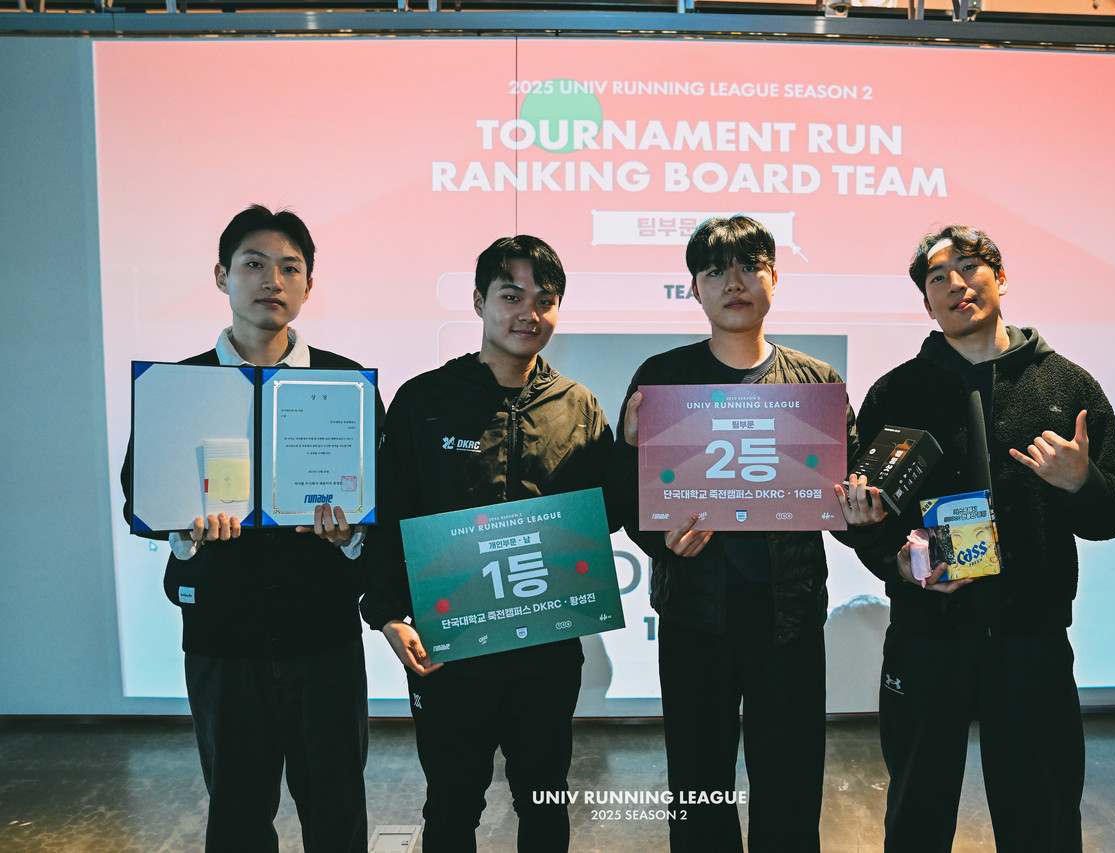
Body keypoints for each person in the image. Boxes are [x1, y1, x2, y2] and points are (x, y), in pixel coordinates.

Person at [849, 224, 1115, 852]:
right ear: (927, 303)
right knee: (916, 814)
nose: (955, 284)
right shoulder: (897, 392)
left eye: (969, 267)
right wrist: (897, 561)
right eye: (937, 277)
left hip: (1031, 639)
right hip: (926, 637)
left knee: (1043, 816)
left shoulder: (1067, 387)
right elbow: (864, 516)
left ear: (1001, 278)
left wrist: (1082, 482)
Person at [611, 215, 885, 852]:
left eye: (750, 266)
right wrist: (645, 501)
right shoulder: (662, 379)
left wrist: (864, 516)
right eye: (716, 271)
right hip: (694, 617)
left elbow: (841, 506)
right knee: (697, 781)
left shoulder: (816, 383)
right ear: (695, 289)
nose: (734, 283)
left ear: (774, 278)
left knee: (789, 780)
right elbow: (627, 498)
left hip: (788, 616)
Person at [120, 204, 377, 853]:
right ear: (222, 276)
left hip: (323, 636)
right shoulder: (177, 386)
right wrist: (185, 530)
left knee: (337, 809)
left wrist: (350, 535)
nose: (272, 280)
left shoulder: (344, 382)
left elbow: (381, 503)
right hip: (223, 637)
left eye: (290, 267)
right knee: (236, 812)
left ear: (308, 284)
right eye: (254, 264)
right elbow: (138, 498)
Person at [361, 235, 619, 853]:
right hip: (448, 649)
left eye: (544, 299)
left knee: (545, 802)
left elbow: (604, 517)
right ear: (479, 302)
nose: (529, 313)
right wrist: (388, 615)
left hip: (546, 651)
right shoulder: (424, 400)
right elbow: (389, 514)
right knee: (452, 807)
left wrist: (637, 447)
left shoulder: (577, 407)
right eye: (511, 296)